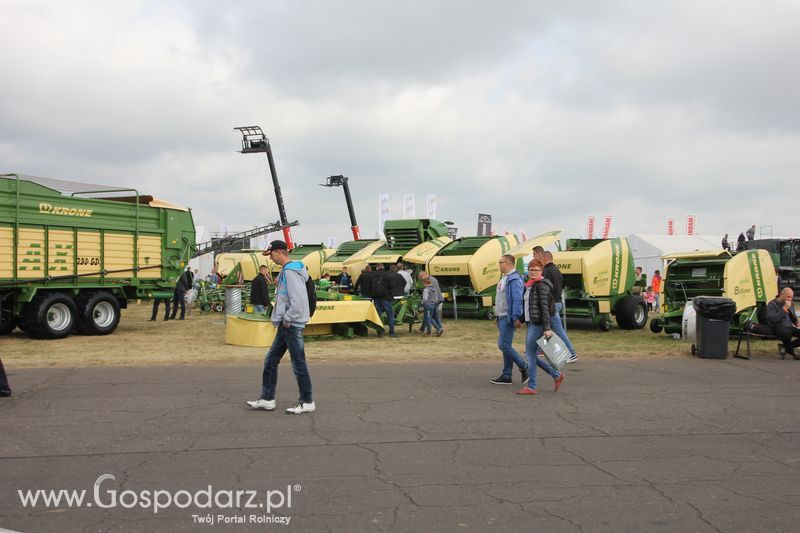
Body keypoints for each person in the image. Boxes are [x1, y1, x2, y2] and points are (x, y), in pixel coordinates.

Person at [247, 240, 315, 414]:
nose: (271, 259)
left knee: (298, 363)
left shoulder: (291, 272)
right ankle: (267, 399)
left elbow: (297, 301)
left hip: (290, 325)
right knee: (271, 360)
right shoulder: (290, 270)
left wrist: (287, 319)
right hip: (287, 324)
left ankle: (307, 401)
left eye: (271, 255)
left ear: (278, 252)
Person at [517, 259, 565, 395]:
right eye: (531, 269)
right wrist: (520, 319)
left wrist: (547, 328)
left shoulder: (541, 285)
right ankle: (556, 375)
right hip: (531, 322)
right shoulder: (530, 285)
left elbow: (544, 308)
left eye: (536, 270)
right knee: (532, 355)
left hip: (538, 324)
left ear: (541, 271)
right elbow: (529, 306)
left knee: (530, 355)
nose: (532, 272)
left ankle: (531, 386)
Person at [490, 254, 528, 385]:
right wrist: (497, 316)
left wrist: (516, 317)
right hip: (502, 316)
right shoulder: (505, 278)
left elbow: (516, 299)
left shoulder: (514, 279)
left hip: (508, 316)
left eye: (500, 262)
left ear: (507, 263)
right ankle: (506, 375)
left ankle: (524, 366)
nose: (499, 264)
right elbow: (501, 298)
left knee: (503, 345)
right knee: (506, 346)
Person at [540, 250, 579, 363]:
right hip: (558, 302)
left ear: (545, 258)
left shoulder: (547, 271)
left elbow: (545, 289)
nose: (540, 261)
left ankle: (572, 353)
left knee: (558, 329)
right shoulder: (557, 270)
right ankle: (540, 349)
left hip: (551, 304)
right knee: (546, 328)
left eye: (541, 259)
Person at [766, 288, 800, 360]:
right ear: (781, 295)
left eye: (791, 297)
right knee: (785, 334)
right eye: (788, 297)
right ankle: (792, 353)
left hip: (789, 325)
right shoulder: (772, 304)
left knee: (789, 332)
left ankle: (784, 347)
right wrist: (784, 309)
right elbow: (772, 319)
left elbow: (792, 316)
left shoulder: (791, 303)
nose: (789, 299)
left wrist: (796, 322)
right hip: (778, 326)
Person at [371, 265, 397, 337]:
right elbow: (392, 286)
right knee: (390, 315)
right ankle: (391, 333)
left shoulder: (373, 275)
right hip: (386, 297)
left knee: (378, 316)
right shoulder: (387, 275)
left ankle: (380, 333)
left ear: (377, 268)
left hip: (376, 298)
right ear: (383, 267)